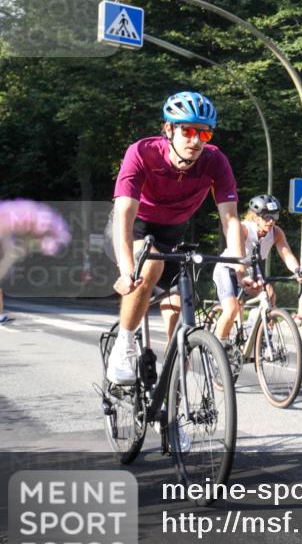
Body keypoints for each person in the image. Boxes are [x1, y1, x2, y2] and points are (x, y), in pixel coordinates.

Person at [105, 91, 253, 385]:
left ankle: (173, 391)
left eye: (204, 133)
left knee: (181, 309)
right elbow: (124, 214)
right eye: (188, 131)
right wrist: (126, 270)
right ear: (169, 129)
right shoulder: (142, 152)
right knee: (150, 266)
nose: (196, 141)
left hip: (173, 233)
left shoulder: (215, 161)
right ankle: (124, 344)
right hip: (134, 228)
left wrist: (240, 267)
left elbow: (230, 218)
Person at [212, 194, 302, 347]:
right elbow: (239, 257)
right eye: (267, 217)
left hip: (250, 268)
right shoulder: (243, 229)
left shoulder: (276, 233)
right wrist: (242, 275)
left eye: (274, 216)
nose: (271, 221)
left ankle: (260, 336)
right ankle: (218, 349)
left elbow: (286, 253)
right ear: (256, 217)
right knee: (232, 309)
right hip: (228, 268)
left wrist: (297, 270)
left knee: (269, 294)